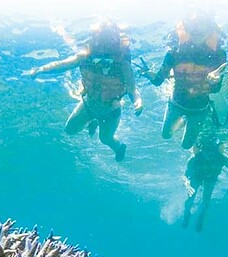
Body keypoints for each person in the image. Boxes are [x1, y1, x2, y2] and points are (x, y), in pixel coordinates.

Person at [28, 21, 143, 162]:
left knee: (105, 139)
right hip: (88, 105)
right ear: (95, 40)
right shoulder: (84, 56)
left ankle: (119, 147)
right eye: (101, 41)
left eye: (108, 43)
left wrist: (138, 101)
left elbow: (132, 88)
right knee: (69, 130)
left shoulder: (122, 63)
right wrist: (41, 70)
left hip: (111, 111)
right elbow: (63, 64)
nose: (103, 47)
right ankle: (93, 120)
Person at [140, 13, 228, 150]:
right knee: (166, 135)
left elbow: (216, 89)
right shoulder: (173, 53)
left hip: (200, 109)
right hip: (176, 104)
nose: (197, 33)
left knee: (186, 146)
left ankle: (205, 114)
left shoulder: (218, 55)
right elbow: (158, 81)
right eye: (193, 29)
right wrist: (148, 74)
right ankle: (183, 121)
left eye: (201, 29)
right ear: (186, 29)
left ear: (210, 30)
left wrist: (213, 82)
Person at [182, 131, 228, 232]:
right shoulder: (195, 158)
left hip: (209, 179)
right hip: (197, 177)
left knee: (204, 200)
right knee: (191, 199)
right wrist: (187, 184)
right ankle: (187, 215)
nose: (209, 155)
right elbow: (185, 175)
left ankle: (200, 218)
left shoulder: (221, 158)